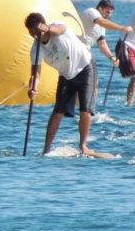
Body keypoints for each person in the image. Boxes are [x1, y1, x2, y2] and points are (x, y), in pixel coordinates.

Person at [25, 12, 107, 158]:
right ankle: (46, 149)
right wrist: (33, 88)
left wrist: (47, 28)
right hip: (66, 76)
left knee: (84, 109)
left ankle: (83, 146)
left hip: (85, 68)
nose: (35, 37)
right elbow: (36, 75)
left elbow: (60, 29)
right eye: (32, 34)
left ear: (43, 27)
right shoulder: (36, 49)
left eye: (36, 32)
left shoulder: (56, 27)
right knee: (58, 111)